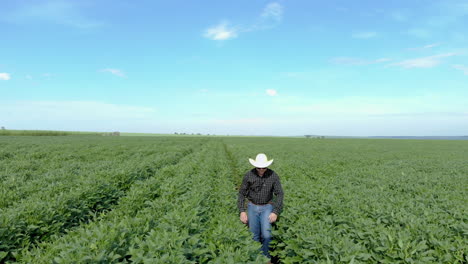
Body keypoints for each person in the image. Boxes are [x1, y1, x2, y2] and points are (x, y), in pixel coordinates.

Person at [237, 153, 284, 261]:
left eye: (263, 167)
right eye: (259, 168)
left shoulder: (273, 175)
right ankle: (256, 258)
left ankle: (266, 258)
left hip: (267, 207)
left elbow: (280, 194)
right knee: (254, 236)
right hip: (252, 207)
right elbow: (241, 193)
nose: (261, 170)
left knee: (267, 236)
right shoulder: (249, 175)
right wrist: (242, 211)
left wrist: (275, 212)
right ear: (255, 166)